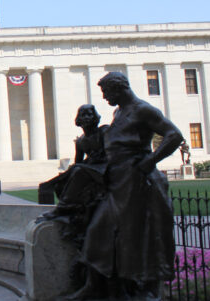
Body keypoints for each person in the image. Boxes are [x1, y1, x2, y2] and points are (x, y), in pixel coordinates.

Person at [70, 72, 183, 300]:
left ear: (118, 88)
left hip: (138, 184)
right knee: (97, 232)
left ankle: (139, 289)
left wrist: (149, 161)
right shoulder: (118, 112)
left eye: (106, 92)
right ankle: (95, 285)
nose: (104, 98)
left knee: (134, 238)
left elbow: (174, 135)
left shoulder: (143, 109)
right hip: (118, 182)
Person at [38, 105, 108, 246]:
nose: (87, 118)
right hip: (91, 170)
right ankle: (69, 208)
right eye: (83, 115)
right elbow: (78, 162)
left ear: (95, 117)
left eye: (89, 114)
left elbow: (113, 153)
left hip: (106, 168)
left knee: (77, 171)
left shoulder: (104, 131)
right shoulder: (81, 141)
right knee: (64, 180)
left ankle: (62, 207)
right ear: (78, 120)